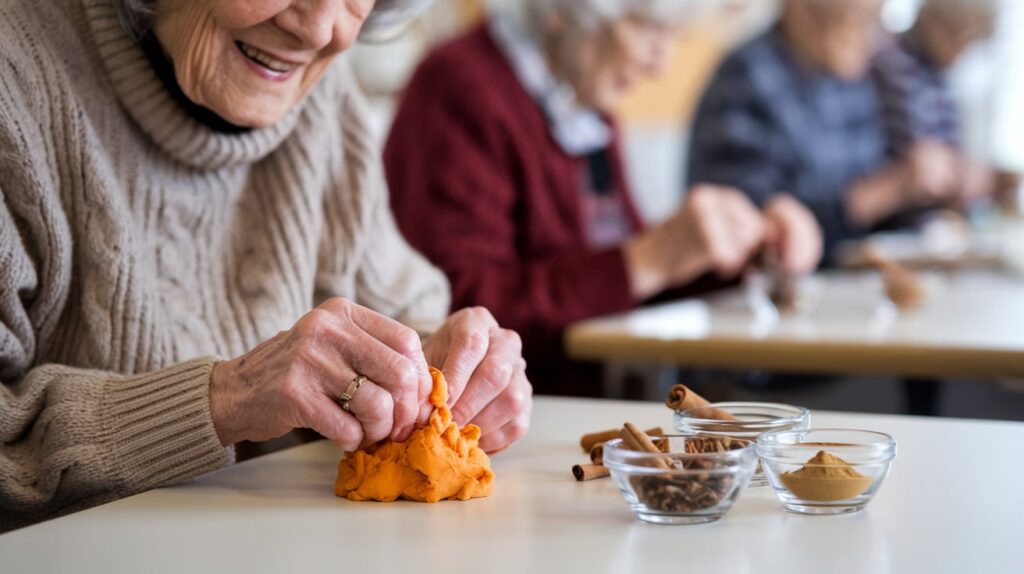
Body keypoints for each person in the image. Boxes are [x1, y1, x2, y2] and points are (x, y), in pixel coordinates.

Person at [0, 0, 532, 532]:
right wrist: (224, 399)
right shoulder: (16, 73)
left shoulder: (318, 92)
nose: (320, 28)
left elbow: (403, 307)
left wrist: (444, 366)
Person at [384, 0, 823, 395]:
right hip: (497, 428)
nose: (661, 65)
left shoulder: (579, 100)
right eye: (648, 29)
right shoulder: (459, 86)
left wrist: (736, 251)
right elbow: (458, 313)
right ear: (564, 11)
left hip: (584, 407)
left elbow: (618, 284)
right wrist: (649, 258)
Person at [688, 0, 961, 256]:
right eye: (855, 21)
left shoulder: (849, 80)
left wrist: (922, 191)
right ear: (800, 9)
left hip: (846, 280)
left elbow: (874, 217)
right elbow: (751, 228)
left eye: (874, 21)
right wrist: (884, 191)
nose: (871, 39)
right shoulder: (745, 76)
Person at [873, 0, 1019, 208]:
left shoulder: (938, 72)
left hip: (928, 209)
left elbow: (948, 148)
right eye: (965, 34)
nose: (966, 49)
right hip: (897, 210)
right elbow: (922, 160)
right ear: (938, 24)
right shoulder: (895, 64)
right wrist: (961, 173)